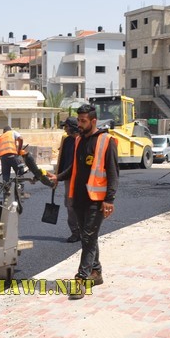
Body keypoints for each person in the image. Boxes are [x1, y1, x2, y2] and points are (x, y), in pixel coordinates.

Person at [49, 104, 119, 300]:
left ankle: (81, 278)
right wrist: (59, 177)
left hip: (96, 200)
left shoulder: (106, 141)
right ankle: (96, 272)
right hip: (78, 198)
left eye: (83, 121)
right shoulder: (79, 140)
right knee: (89, 237)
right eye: (78, 120)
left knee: (87, 237)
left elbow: (113, 173)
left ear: (93, 121)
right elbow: (75, 168)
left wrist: (109, 199)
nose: (79, 124)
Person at [56, 117, 81, 243]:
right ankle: (75, 232)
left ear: (72, 127)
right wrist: (58, 176)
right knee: (70, 205)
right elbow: (63, 159)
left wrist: (59, 176)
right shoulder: (67, 141)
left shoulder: (82, 140)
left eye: (66, 126)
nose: (64, 129)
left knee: (82, 205)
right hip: (68, 178)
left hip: (81, 179)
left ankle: (85, 231)